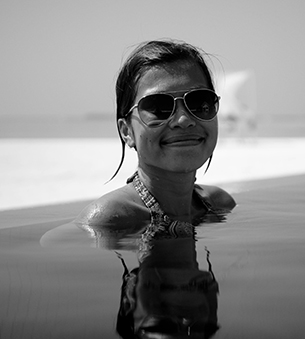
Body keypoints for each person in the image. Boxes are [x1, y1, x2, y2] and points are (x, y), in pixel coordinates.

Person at [76, 40, 236, 233]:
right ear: (126, 132)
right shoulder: (108, 219)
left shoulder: (220, 204)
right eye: (159, 107)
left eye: (199, 103)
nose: (184, 120)